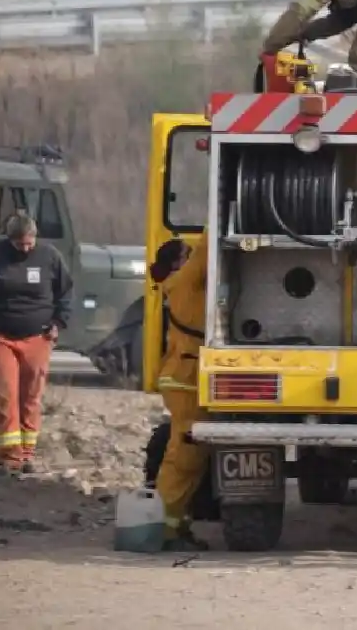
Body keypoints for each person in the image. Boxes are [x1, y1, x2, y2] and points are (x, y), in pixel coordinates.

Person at [0, 214, 72, 474]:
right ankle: (9, 457)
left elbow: (65, 293)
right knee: (3, 394)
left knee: (31, 396)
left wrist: (58, 322)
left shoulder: (50, 257)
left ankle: (27, 454)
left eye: (30, 243)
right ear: (10, 240)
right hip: (0, 335)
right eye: (20, 244)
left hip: (37, 336)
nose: (26, 249)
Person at [150, 230, 211, 552]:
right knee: (184, 455)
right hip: (185, 378)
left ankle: (176, 522)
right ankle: (164, 528)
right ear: (178, 264)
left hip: (184, 377)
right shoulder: (183, 282)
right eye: (185, 255)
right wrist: (215, 217)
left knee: (191, 454)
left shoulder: (176, 286)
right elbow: (205, 254)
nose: (190, 259)